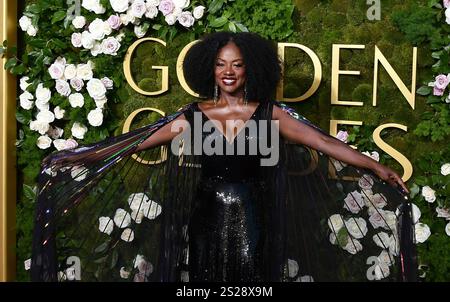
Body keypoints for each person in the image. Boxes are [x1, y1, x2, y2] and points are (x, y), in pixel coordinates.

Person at [31, 32, 417, 282]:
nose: (228, 71)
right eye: (220, 64)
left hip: (254, 216)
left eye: (236, 64)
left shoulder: (271, 115)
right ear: (210, 70)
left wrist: (376, 166)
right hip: (206, 219)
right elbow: (136, 142)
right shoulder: (193, 116)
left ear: (250, 69)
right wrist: (86, 155)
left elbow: (327, 144)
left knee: (251, 283)